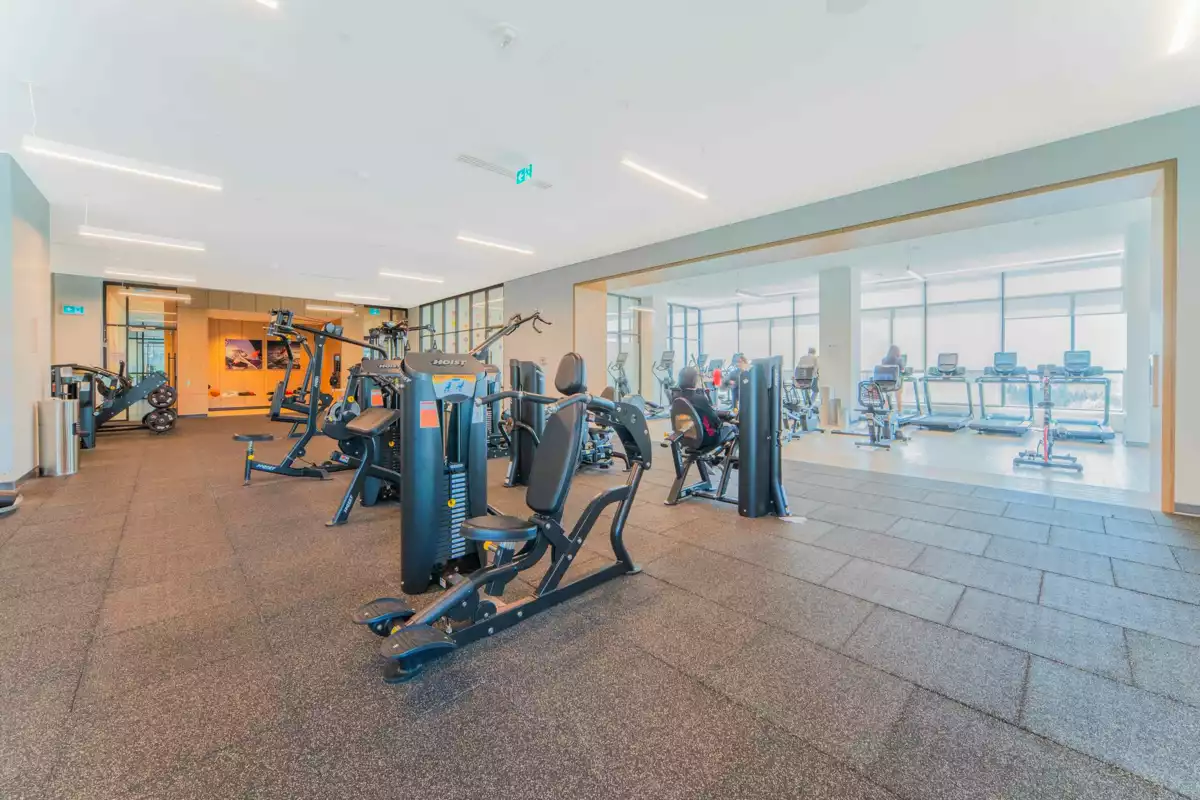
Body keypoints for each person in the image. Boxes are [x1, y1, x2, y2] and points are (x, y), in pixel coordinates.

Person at [881, 345, 903, 411]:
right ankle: (899, 411)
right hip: (896, 383)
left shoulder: (884, 360)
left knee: (888, 396)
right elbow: (902, 369)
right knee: (899, 395)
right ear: (897, 352)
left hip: (886, 383)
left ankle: (887, 411)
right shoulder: (899, 360)